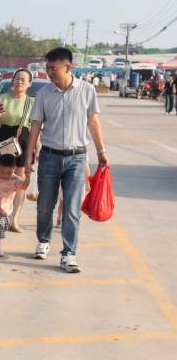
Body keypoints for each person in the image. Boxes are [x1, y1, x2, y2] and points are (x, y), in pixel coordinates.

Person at [24, 47, 109, 273]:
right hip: (49, 157)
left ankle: (69, 254)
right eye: (47, 68)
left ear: (68, 67)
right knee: (45, 205)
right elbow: (35, 126)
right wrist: (29, 155)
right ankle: (43, 241)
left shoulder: (87, 90)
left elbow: (93, 122)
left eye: (53, 68)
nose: (49, 72)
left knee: (71, 208)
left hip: (77, 158)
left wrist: (101, 151)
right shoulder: (42, 94)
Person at [0, 67, 34, 232]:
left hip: (23, 139)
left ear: (29, 84)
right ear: (12, 80)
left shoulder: (31, 102)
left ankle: (14, 220)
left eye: (23, 80)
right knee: (2, 179)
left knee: (20, 183)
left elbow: (36, 128)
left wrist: (37, 149)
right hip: (5, 138)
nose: (19, 82)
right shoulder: (0, 99)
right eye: (17, 78)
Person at [0, 154, 28, 257]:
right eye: (2, 172)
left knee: (6, 225)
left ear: (14, 169)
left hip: (8, 209)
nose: (5, 175)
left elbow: (24, 186)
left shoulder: (15, 180)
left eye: (9, 173)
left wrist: (28, 176)